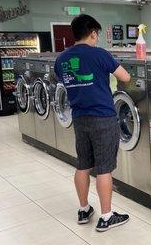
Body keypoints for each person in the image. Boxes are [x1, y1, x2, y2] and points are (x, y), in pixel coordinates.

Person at [55, 14, 131, 232]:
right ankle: (106, 216)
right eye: (96, 35)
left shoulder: (62, 59)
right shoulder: (100, 54)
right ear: (93, 33)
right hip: (103, 117)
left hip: (80, 118)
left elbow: (66, 81)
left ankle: (83, 209)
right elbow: (124, 77)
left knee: (83, 165)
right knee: (104, 168)